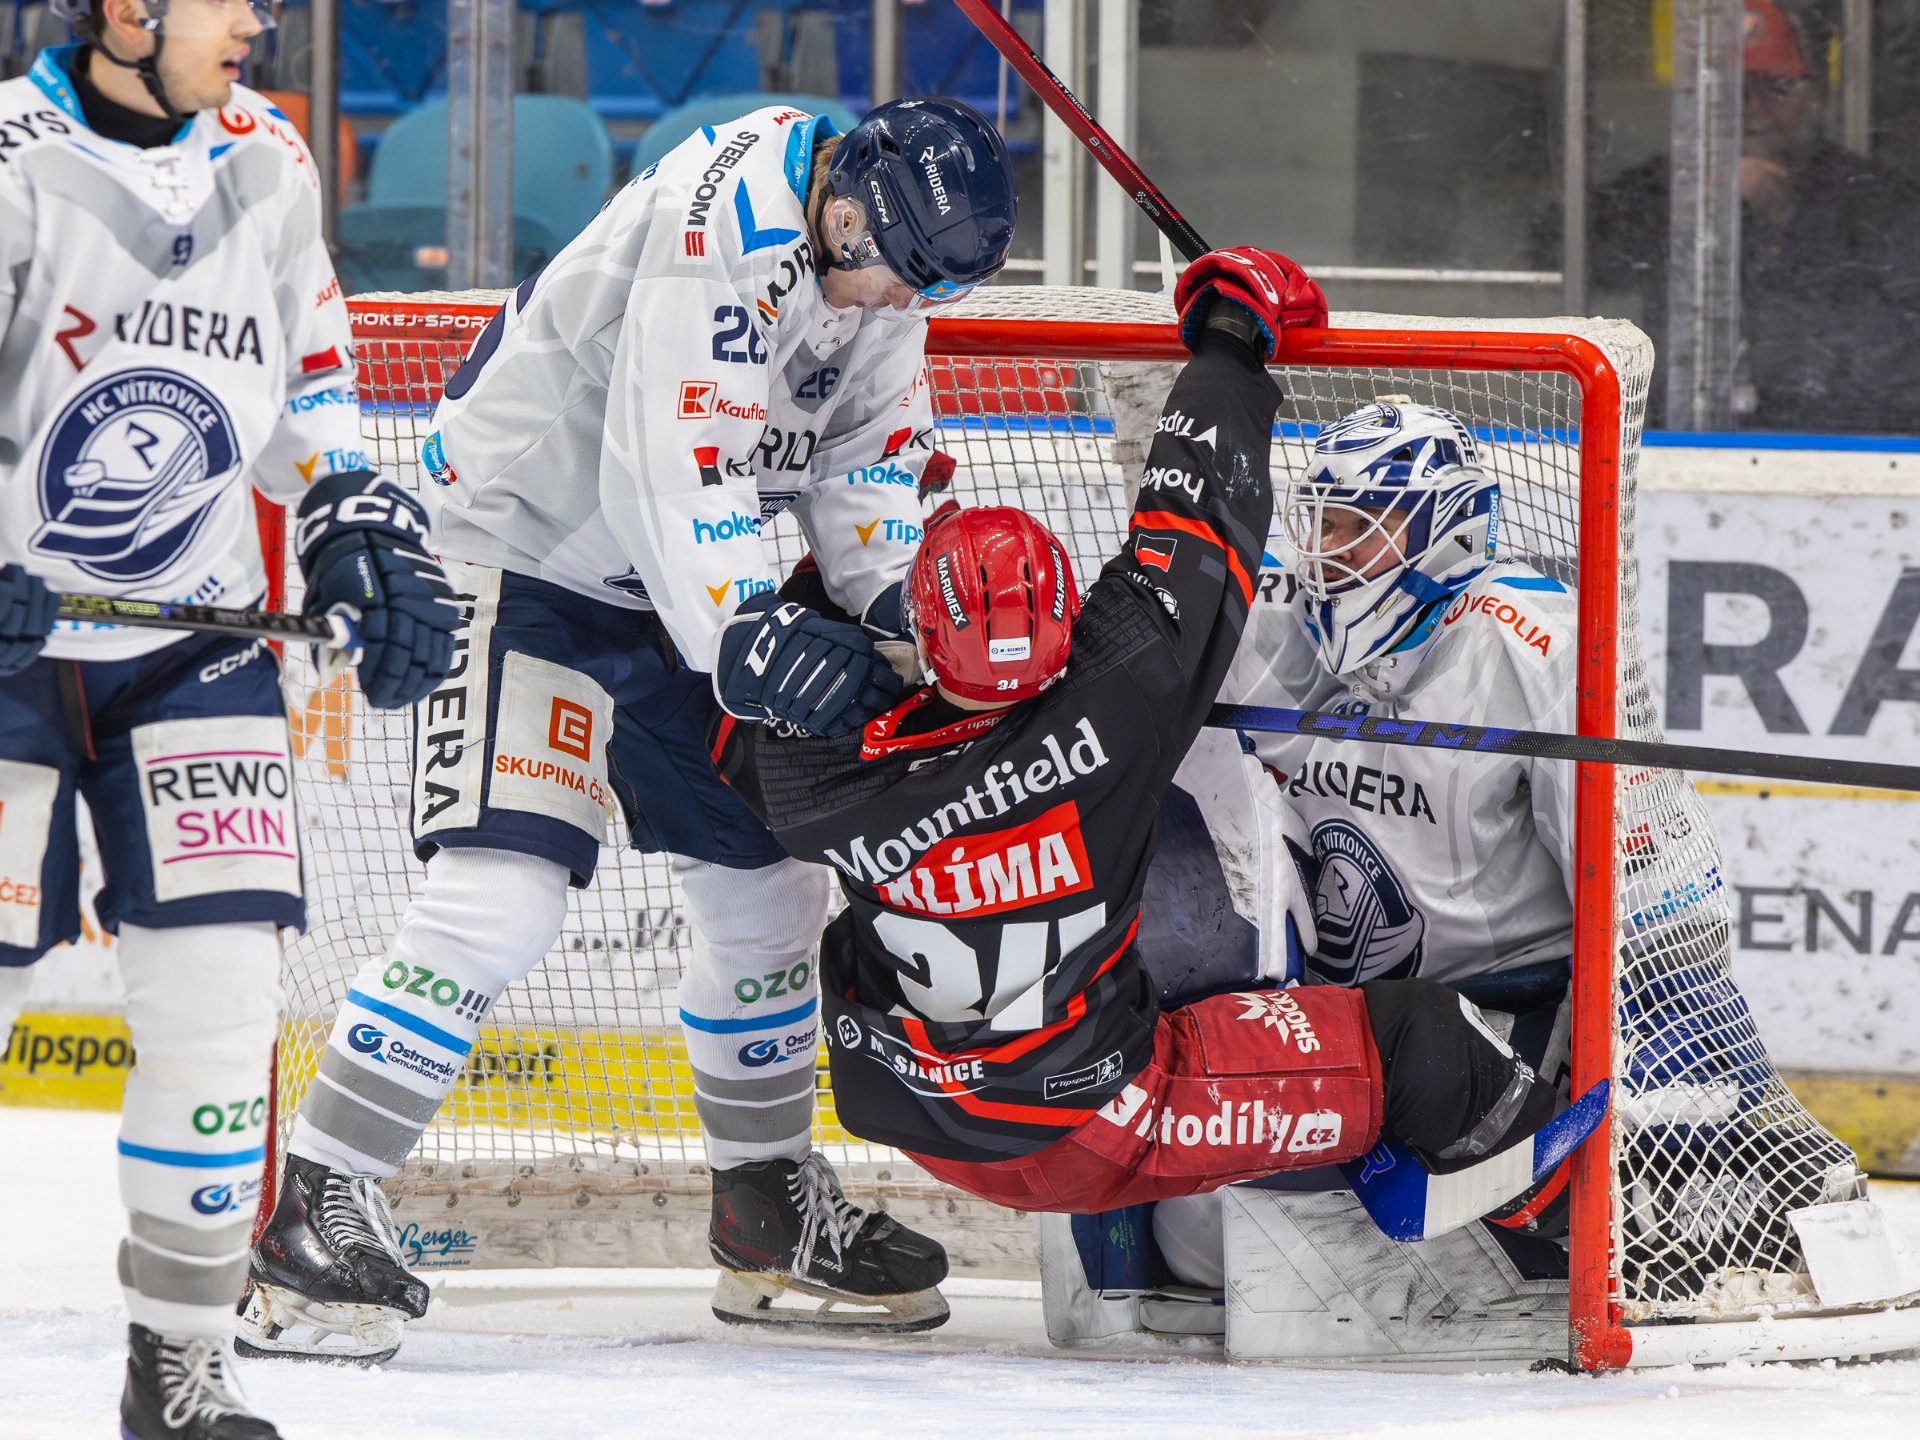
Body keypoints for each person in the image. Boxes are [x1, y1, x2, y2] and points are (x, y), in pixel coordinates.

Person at [242, 95, 1018, 1356]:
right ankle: (314, 1207)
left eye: (922, 287)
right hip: (522, 565)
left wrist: (906, 616)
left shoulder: (889, 262)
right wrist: (753, 636)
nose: (893, 301)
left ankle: (765, 1209)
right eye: (890, 269)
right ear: (843, 204)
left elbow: (866, 470)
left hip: (674, 590)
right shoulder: (723, 214)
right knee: (501, 897)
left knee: (768, 893)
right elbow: (673, 463)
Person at [710, 247, 1583, 1241]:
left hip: (915, 1117)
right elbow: (1197, 519)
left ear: (919, 632)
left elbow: (728, 723)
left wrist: (792, 616)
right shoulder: (1109, 711)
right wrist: (1231, 341)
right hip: (1104, 1122)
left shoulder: (816, 772)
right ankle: (1587, 1234)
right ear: (1066, 631)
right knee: (1425, 1042)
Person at [0, 2, 460, 1435]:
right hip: (8, 659)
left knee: (219, 1016)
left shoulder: (269, 158)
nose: (258, 19)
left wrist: (350, 520)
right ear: (125, 9)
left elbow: (309, 386)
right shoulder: (14, 160)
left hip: (194, 653)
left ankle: (182, 1365)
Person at [1569, 0, 1920, 431]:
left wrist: (1788, 221)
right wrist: (1696, 202)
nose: (1751, 108)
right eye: (1733, 90)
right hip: (1671, 441)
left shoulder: (1875, 197)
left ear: (1817, 96)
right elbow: (1560, 247)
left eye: (1776, 88)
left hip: (1839, 440)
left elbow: (1899, 343)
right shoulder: (1664, 184)